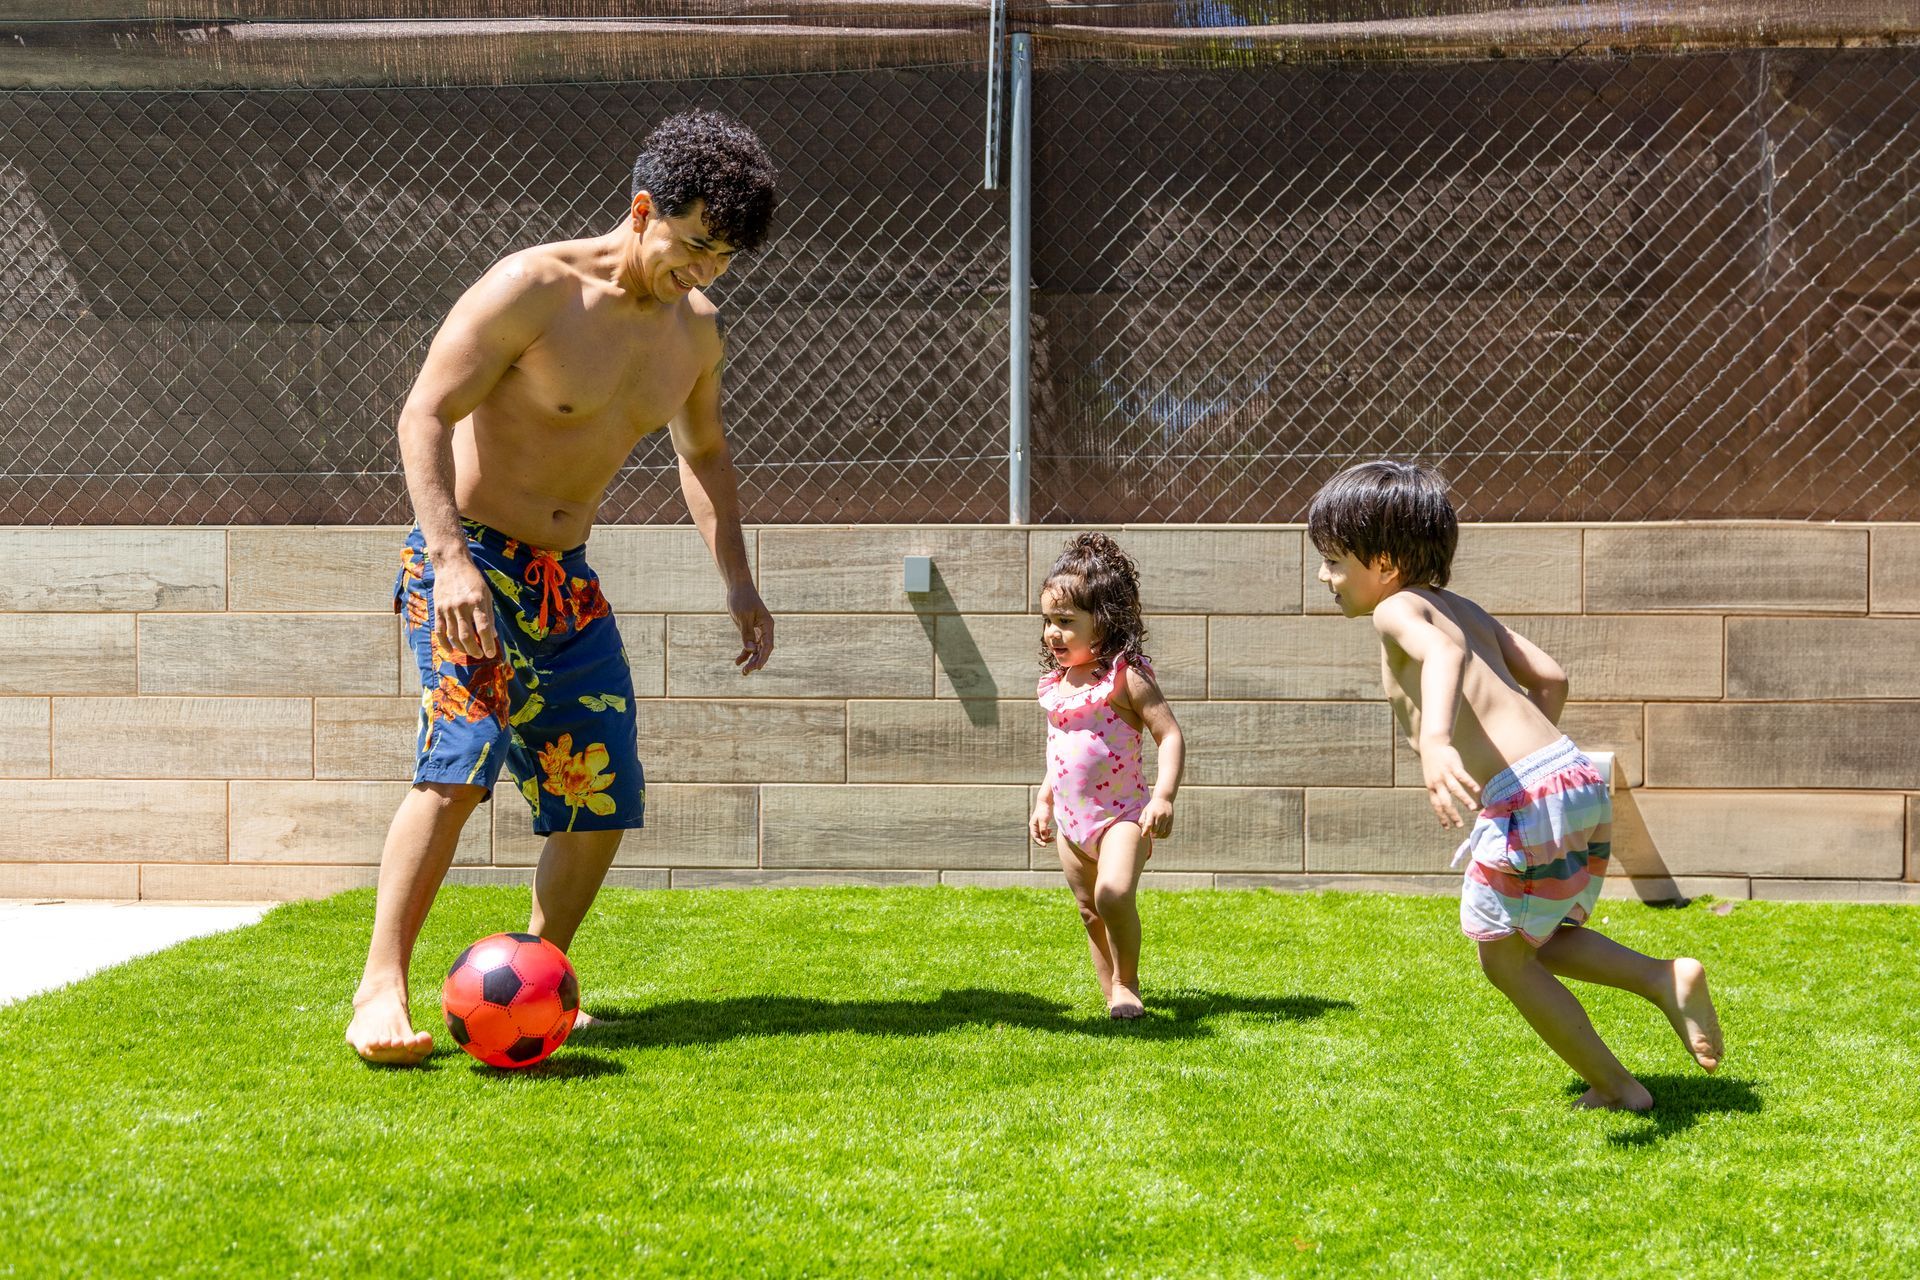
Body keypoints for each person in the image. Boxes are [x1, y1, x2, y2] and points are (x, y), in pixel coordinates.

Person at [346, 109, 779, 1064]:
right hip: (467, 559)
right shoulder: (533, 287)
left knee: (599, 789)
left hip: (563, 580)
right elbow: (423, 414)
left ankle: (536, 979)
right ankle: (380, 988)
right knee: (459, 762)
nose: (703, 272)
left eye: (724, 259)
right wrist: (449, 557)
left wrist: (738, 581)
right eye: (695, 245)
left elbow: (703, 456)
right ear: (642, 210)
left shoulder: (694, 335)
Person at [1308, 460, 1723, 1110]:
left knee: (1502, 958)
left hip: (1531, 794)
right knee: (1541, 937)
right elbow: (1552, 678)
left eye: (1333, 562)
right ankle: (1662, 980)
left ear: (1384, 563)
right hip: (1573, 774)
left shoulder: (1394, 611)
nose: (1324, 577)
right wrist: (1536, 764)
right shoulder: (1464, 608)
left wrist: (1441, 743)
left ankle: (1617, 1088)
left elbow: (1443, 658)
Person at [1029, 534, 1186, 1019]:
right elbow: (1062, 752)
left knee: (1112, 892)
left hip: (1123, 817)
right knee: (1089, 909)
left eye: (1065, 622)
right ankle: (1114, 997)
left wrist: (1163, 797)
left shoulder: (1126, 678)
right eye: (1047, 622)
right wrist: (1044, 801)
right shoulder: (1059, 687)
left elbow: (1172, 737)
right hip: (1073, 822)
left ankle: (1127, 981)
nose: (1053, 633)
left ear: (1103, 622)